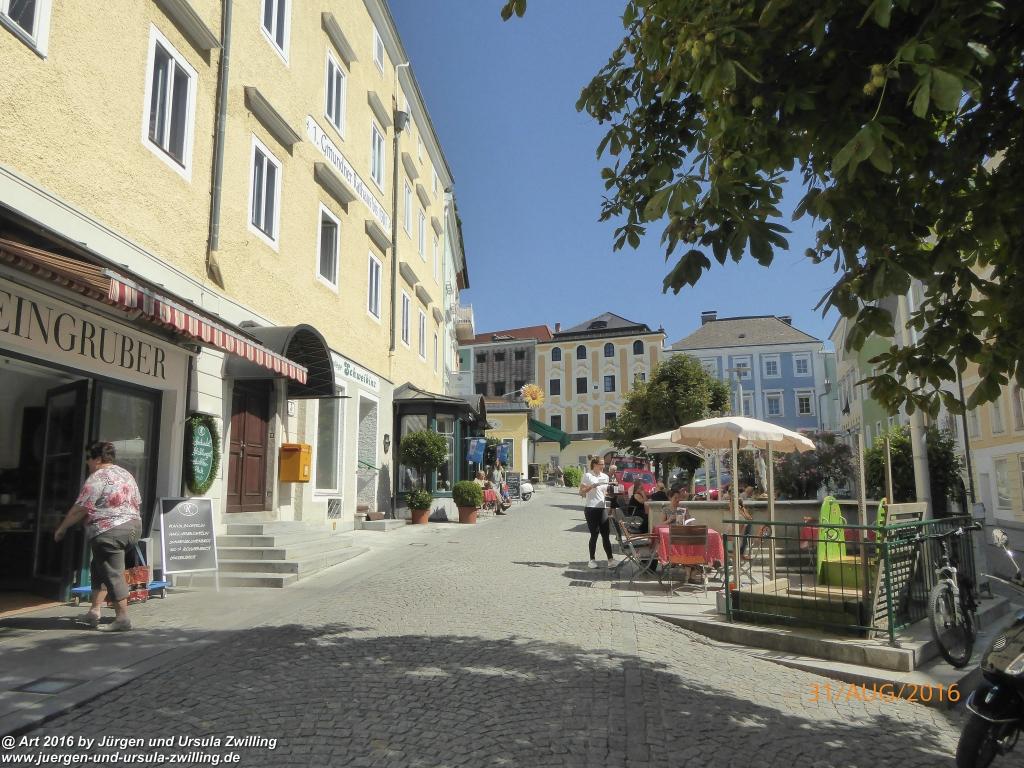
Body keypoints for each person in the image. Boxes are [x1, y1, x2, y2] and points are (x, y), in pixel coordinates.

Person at [54, 441, 142, 632]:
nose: (87, 462)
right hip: (133, 528)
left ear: (98, 459)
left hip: (109, 530)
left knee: (112, 571)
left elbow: (80, 508)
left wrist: (62, 528)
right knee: (99, 567)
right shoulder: (126, 474)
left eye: (89, 458)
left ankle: (122, 618)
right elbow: (137, 502)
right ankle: (94, 612)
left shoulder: (98, 477)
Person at [580, 457, 614, 569]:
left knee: (606, 535)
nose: (603, 466)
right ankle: (592, 560)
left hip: (602, 508)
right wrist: (591, 486)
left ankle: (610, 560)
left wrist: (612, 494)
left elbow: (604, 493)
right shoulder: (588, 476)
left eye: (604, 464)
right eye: (601, 464)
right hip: (591, 508)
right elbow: (581, 492)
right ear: (594, 464)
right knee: (594, 534)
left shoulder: (605, 476)